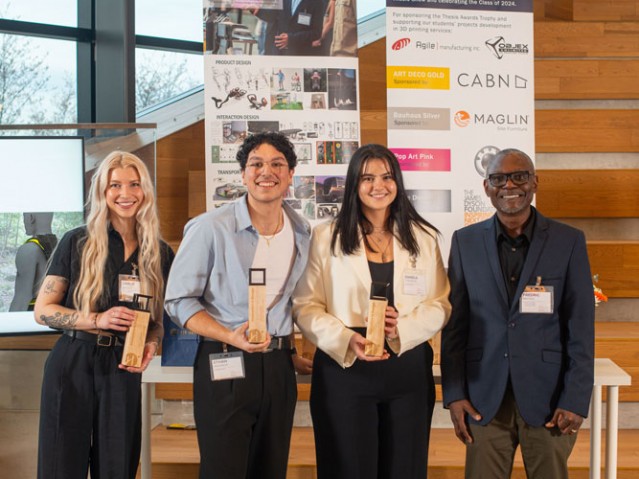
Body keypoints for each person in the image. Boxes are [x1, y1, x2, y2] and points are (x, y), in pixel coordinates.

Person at [293, 144, 451, 478]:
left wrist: (402, 329)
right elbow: (305, 307)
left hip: (406, 366)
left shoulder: (423, 238)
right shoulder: (325, 236)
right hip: (345, 369)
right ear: (354, 184)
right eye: (367, 178)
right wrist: (345, 338)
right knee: (347, 468)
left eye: (386, 176)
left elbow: (440, 303)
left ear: (398, 182)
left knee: (404, 469)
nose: (378, 186)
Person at [164, 132, 312, 479]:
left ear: (291, 174)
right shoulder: (209, 228)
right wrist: (230, 336)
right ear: (243, 174)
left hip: (278, 366)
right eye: (256, 164)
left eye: (277, 164)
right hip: (224, 362)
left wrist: (289, 351)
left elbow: (287, 301)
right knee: (223, 471)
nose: (266, 172)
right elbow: (178, 300)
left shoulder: (302, 230)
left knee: (271, 468)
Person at [441, 148, 595, 479]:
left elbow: (580, 327)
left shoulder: (568, 242)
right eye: (498, 178)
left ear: (535, 182)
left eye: (519, 176)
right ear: (487, 187)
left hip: (550, 401)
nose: (509, 184)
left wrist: (576, 398)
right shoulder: (465, 242)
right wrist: (454, 395)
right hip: (484, 400)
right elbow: (456, 326)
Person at [34, 151, 174, 479]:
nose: (125, 194)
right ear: (102, 191)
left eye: (134, 184)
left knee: (118, 466)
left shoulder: (160, 252)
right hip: (72, 362)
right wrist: (97, 320)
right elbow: (43, 311)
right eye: (115, 185)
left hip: (123, 366)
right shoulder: (77, 241)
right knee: (61, 464)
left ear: (145, 191)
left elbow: (157, 322)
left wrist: (152, 343)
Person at [9, 212, 57, 311]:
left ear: (31, 217)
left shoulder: (29, 250)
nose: (23, 220)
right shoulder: (62, 245)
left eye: (24, 215)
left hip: (34, 317)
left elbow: (21, 300)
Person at [253, 0, 323, 56]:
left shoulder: (317, 2)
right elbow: (271, 16)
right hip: (279, 53)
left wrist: (291, 39)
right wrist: (254, 10)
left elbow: (316, 32)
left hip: (299, 55)